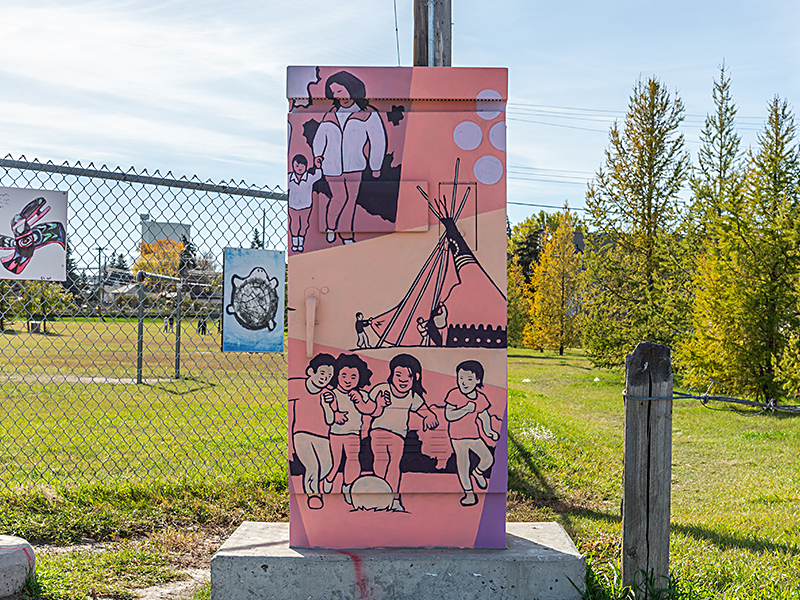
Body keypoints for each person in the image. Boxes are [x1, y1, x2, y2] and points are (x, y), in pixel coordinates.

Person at [313, 71, 387, 244]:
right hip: (331, 166)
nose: (339, 96)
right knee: (339, 197)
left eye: (341, 90)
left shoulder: (367, 114)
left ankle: (346, 235)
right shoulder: (330, 114)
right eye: (334, 93)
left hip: (355, 165)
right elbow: (320, 137)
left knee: (351, 201)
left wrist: (376, 166)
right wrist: (318, 155)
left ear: (352, 88)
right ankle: (330, 226)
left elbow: (378, 140)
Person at [368, 354, 438, 512]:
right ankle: (380, 494)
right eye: (398, 374)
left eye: (409, 375)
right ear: (391, 374)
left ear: (415, 378)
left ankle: (394, 497)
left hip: (398, 434)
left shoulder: (413, 396)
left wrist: (430, 417)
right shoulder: (382, 390)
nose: (403, 379)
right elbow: (370, 409)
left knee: (394, 464)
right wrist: (378, 404)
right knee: (380, 460)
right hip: (378, 431)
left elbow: (424, 411)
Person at [321, 353, 376, 504]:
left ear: (360, 378)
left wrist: (359, 401)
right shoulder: (333, 393)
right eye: (344, 375)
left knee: (353, 459)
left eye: (353, 376)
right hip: (336, 434)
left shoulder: (360, 394)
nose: (348, 380)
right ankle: (329, 479)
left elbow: (371, 408)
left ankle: (348, 487)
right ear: (337, 375)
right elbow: (330, 410)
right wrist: (335, 413)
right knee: (336, 463)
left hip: (353, 433)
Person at [443, 360, 499, 507]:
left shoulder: (480, 398)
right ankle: (469, 493)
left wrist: (489, 431)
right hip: (457, 437)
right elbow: (449, 415)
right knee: (463, 465)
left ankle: (478, 472)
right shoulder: (454, 394)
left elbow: (484, 416)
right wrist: (465, 409)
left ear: (478, 380)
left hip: (474, 435)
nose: (464, 382)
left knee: (488, 459)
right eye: (460, 378)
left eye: (469, 379)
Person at [289, 353, 336, 510]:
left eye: (329, 375)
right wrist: (290, 443)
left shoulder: (328, 394)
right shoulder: (296, 386)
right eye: (322, 373)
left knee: (327, 466)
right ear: (311, 372)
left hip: (322, 435)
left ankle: (311, 481)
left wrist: (326, 406)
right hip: (301, 434)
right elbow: (291, 414)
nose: (325, 378)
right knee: (313, 465)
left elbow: (330, 420)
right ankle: (313, 495)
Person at [288, 154, 322, 253]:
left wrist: (318, 167)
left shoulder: (309, 178)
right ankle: (295, 243)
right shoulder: (289, 178)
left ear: (306, 166)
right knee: (294, 224)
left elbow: (318, 176)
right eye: (297, 166)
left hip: (306, 206)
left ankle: (301, 242)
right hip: (293, 206)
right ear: (293, 166)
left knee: (304, 224)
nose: (299, 168)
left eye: (302, 166)